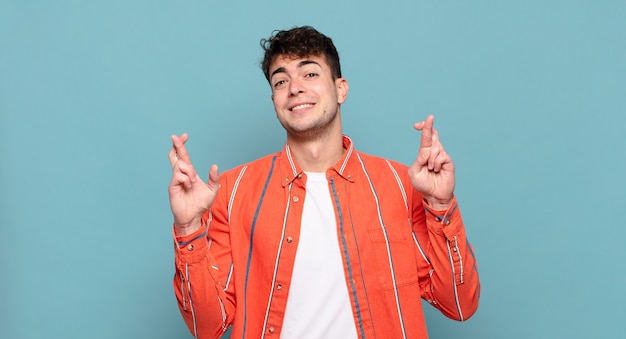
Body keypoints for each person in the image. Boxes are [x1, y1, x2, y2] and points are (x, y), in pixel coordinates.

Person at [168, 26, 480, 339]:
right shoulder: (231, 192)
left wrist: (441, 205)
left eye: (310, 74)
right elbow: (208, 326)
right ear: (274, 99)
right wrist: (188, 229)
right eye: (281, 80)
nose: (294, 88)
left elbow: (459, 304)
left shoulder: (401, 186)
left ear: (341, 89)